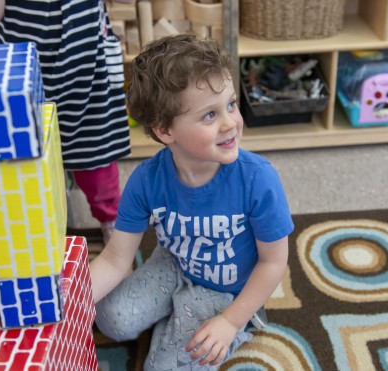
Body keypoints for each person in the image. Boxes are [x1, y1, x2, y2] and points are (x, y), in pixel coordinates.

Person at [89, 34, 294, 369]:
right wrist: (68, 304)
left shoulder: (258, 178)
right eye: (209, 116)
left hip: (230, 293)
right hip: (175, 264)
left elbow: (273, 263)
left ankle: (238, 324)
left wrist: (229, 321)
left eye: (230, 104)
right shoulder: (146, 179)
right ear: (165, 131)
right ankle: (176, 308)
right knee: (111, 320)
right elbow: (114, 259)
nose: (230, 123)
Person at [0, 0, 131, 243]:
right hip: (24, 74)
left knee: (98, 166)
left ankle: (111, 227)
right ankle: (44, 237)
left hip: (88, 73)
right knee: (29, 171)